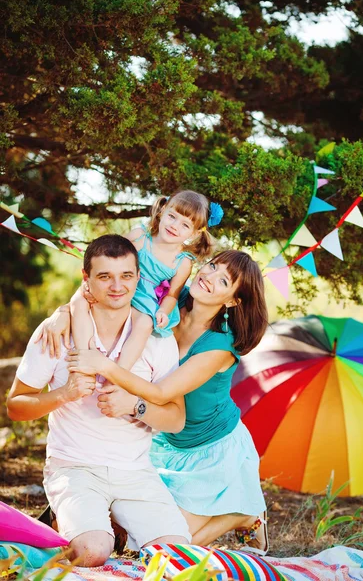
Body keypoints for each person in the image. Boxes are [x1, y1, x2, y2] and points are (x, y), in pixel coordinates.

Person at [62, 249, 270, 553]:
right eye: (211, 266)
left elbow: (161, 393)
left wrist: (105, 367)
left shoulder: (219, 345)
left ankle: (244, 514)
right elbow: (102, 293)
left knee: (164, 549)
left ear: (232, 300)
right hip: (165, 440)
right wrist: (60, 316)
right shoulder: (172, 298)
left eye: (222, 279)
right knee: (127, 533)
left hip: (211, 449)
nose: (208, 276)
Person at [6, 235, 191, 567]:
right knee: (93, 551)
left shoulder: (157, 341)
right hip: (74, 466)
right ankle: (66, 523)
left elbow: (176, 418)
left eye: (126, 276)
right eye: (105, 276)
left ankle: (111, 520)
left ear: (139, 277)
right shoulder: (57, 332)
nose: (117, 286)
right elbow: (15, 405)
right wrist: (64, 394)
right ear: (86, 278)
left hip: (135, 471)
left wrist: (136, 405)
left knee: (181, 559)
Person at [70, 190, 218, 379]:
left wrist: (163, 311)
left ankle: (117, 374)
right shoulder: (139, 236)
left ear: (195, 233)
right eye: (172, 216)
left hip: (145, 300)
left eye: (185, 225)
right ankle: (83, 356)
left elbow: (172, 294)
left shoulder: (183, 262)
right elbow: (110, 255)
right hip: (118, 287)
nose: (175, 226)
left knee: (145, 323)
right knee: (80, 302)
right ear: (163, 211)